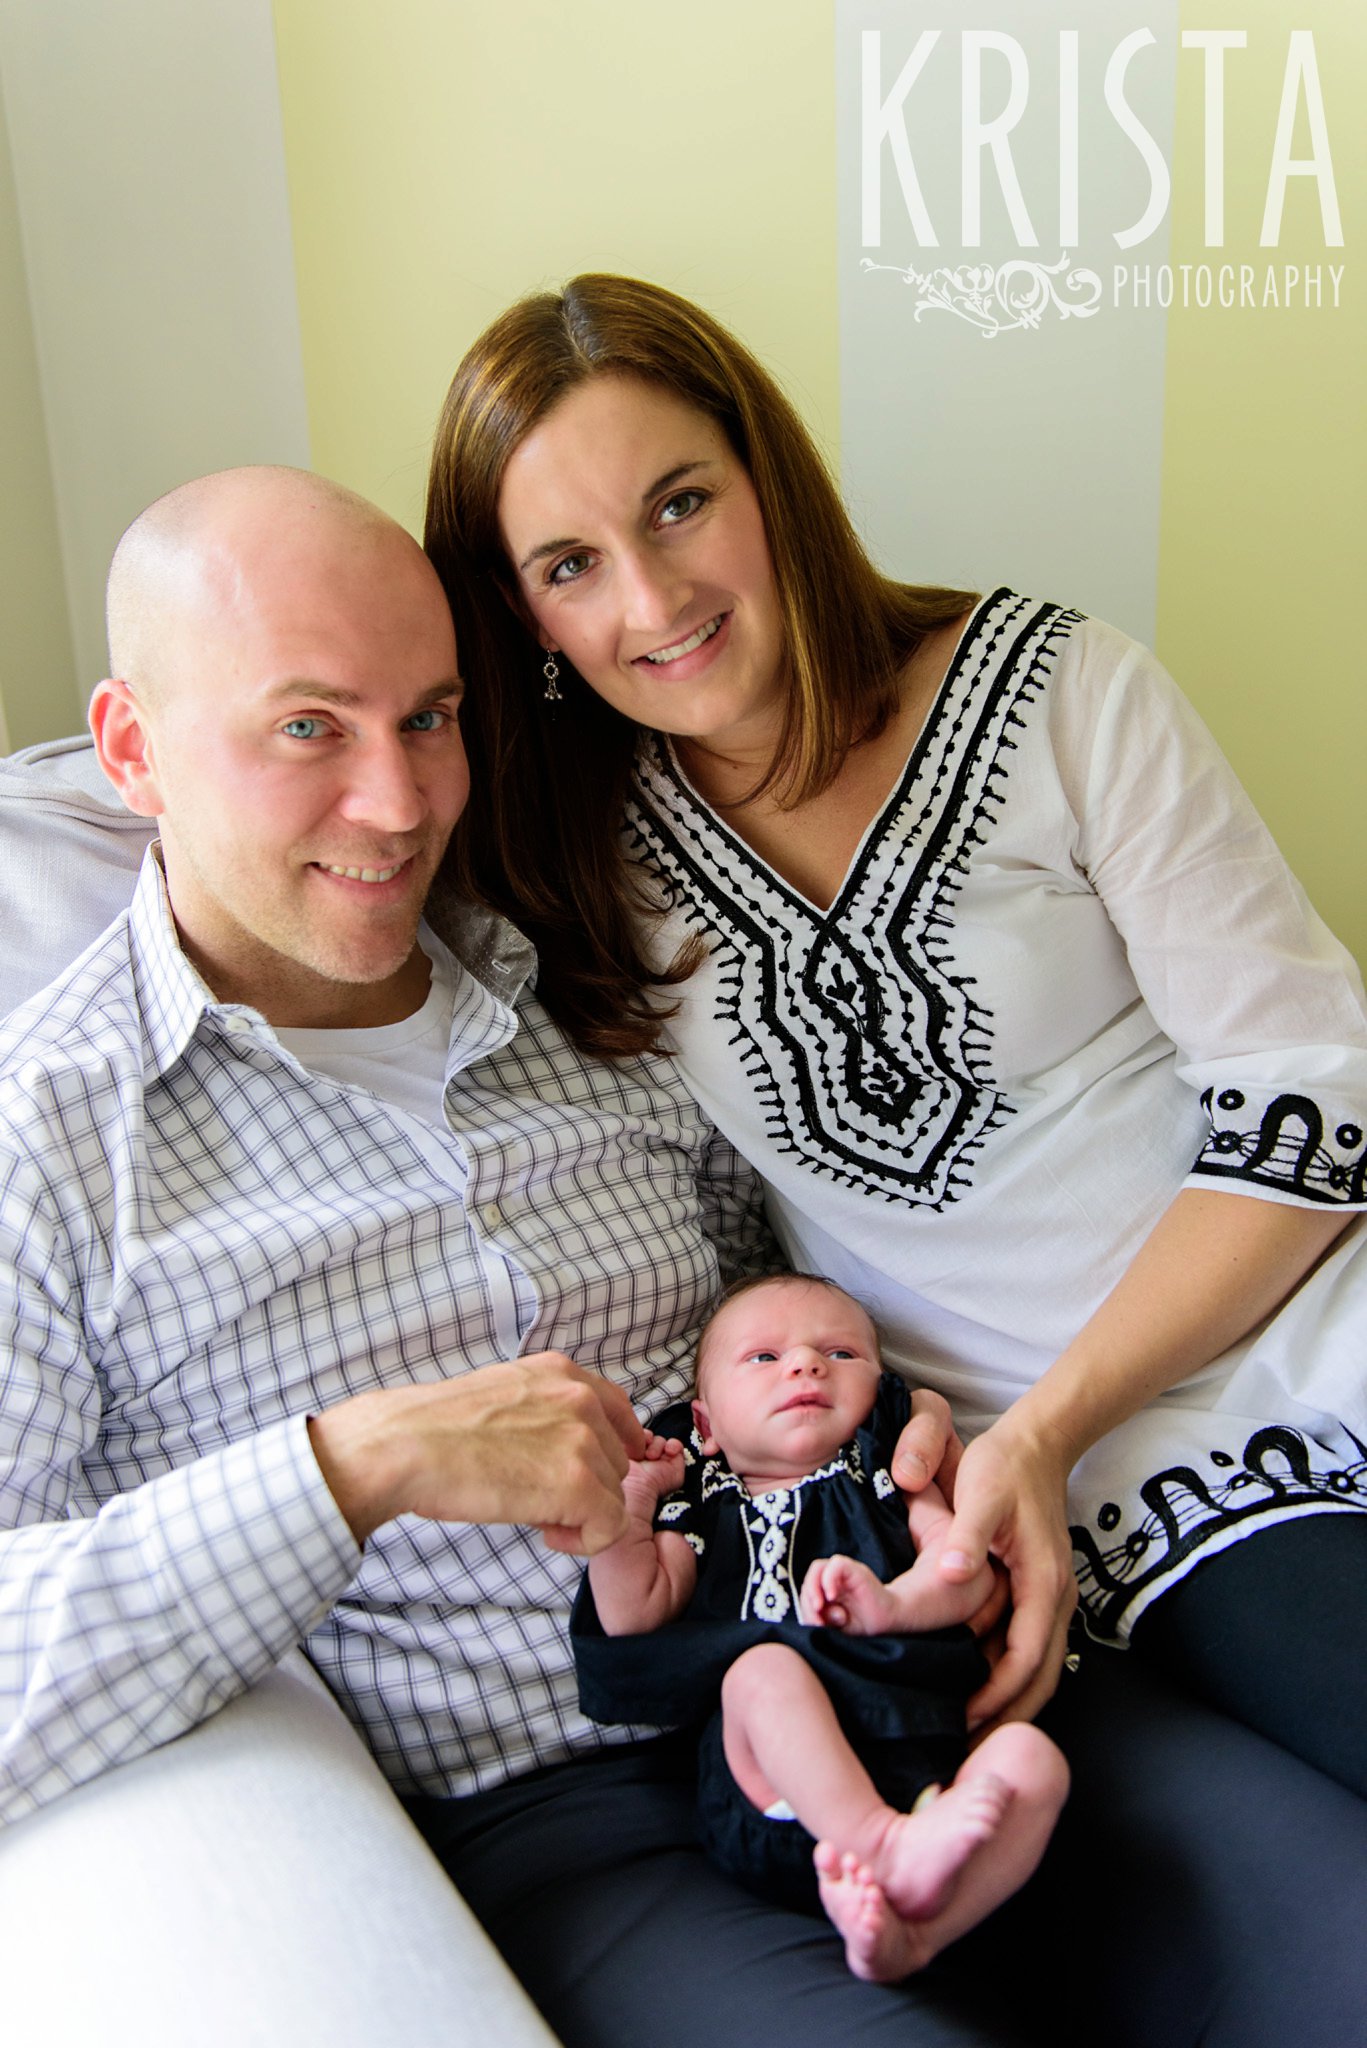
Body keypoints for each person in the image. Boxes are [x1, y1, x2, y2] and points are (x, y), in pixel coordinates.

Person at [423, 273, 1367, 1801]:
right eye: (569, 563)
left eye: (678, 505)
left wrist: (1048, 1431)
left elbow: (1314, 1099)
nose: (650, 604)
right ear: (517, 610)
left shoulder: (1063, 691)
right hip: (1123, 1482)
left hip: (1298, 1324)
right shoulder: (568, 867)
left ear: (767, 479)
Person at [575, 1273, 1069, 1983]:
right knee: (759, 1671)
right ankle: (878, 1840)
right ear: (705, 1426)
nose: (805, 1363)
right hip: (769, 1792)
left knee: (1030, 1759)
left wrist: (892, 1607)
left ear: (881, 1390)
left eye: (839, 1354)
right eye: (763, 1358)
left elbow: (964, 1573)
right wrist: (634, 1495)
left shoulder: (885, 1477)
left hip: (929, 1761)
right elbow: (631, 1613)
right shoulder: (701, 1511)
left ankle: (915, 1936)